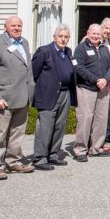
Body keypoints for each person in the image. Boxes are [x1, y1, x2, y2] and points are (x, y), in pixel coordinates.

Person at [0, 15, 34, 180]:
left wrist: (31, 92)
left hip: (22, 96)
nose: (17, 28)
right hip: (4, 97)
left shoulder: (24, 42)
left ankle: (13, 161)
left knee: (17, 132)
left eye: (19, 26)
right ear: (5, 27)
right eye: (13, 26)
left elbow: (28, 70)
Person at [31, 25, 77, 172]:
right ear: (54, 37)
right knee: (45, 128)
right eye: (61, 36)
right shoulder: (44, 51)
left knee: (59, 126)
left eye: (66, 37)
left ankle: (54, 154)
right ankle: (40, 158)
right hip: (48, 94)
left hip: (65, 93)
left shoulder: (68, 52)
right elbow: (34, 73)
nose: (63, 39)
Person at [72, 24, 110, 162]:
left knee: (101, 119)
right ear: (88, 33)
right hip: (87, 88)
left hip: (103, 89)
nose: (96, 36)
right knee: (85, 119)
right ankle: (80, 150)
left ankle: (96, 148)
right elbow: (78, 67)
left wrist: (105, 80)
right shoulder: (81, 48)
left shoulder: (105, 48)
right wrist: (95, 80)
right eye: (93, 34)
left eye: (98, 34)